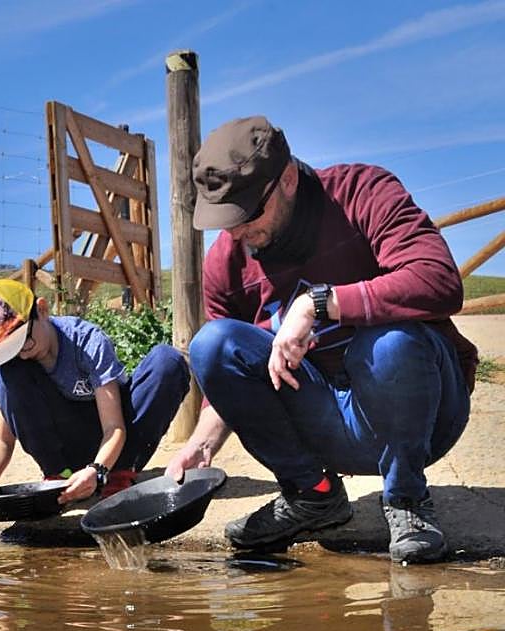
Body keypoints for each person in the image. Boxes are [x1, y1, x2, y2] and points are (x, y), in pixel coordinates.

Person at [164, 115, 478, 563]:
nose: (236, 233)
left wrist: (316, 303)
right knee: (211, 344)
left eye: (247, 214)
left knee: (389, 342)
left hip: (421, 411)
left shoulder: (361, 193)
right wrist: (202, 443)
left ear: (287, 179)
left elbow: (439, 281)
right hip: (322, 416)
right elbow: (228, 367)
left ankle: (407, 499)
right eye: (223, 220)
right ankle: (313, 495)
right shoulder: (225, 263)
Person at [0, 278, 189, 506]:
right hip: (68, 447)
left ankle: (119, 475)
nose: (21, 354)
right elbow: (2, 439)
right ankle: (59, 477)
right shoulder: (16, 366)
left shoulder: (87, 342)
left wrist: (98, 469)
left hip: (117, 440)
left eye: (24, 342)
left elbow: (114, 427)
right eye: (10, 350)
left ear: (41, 310)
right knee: (6, 375)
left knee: (166, 361)